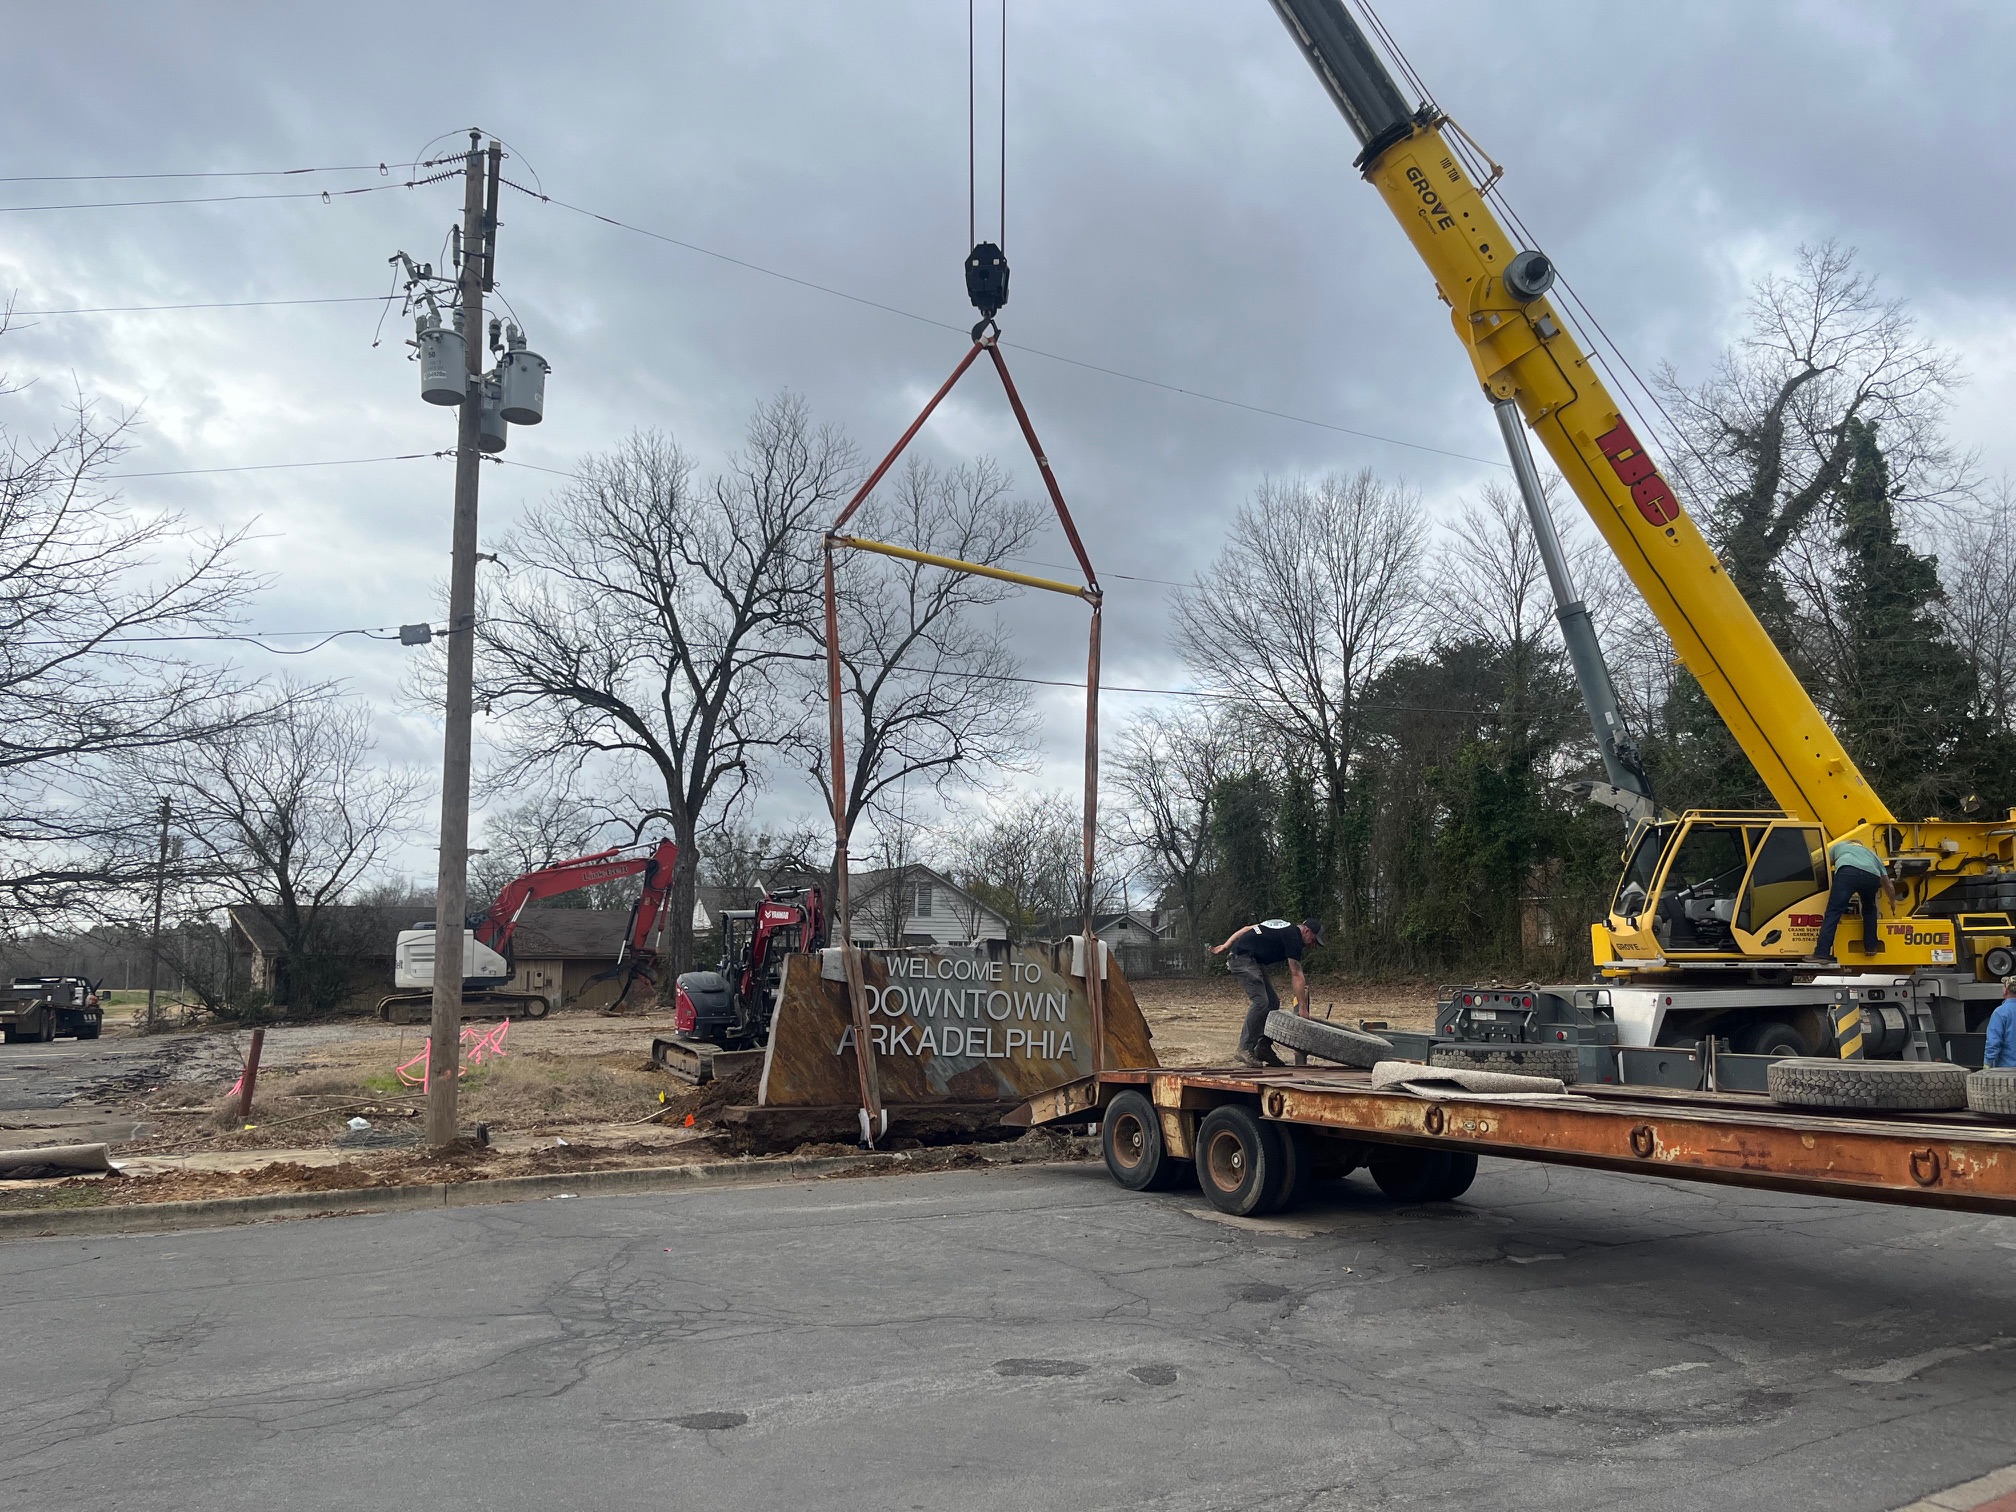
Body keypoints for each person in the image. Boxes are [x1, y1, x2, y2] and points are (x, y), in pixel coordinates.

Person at [1209, 917, 1322, 1068]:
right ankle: (1244, 1048)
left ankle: (1262, 1046)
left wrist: (1225, 945)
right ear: (1307, 931)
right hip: (1242, 959)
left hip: (1252, 960)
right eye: (1313, 941)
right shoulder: (1294, 937)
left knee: (1273, 1002)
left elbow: (1247, 928)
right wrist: (1302, 1008)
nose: (1312, 946)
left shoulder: (1283, 927)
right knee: (1261, 1002)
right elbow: (1296, 974)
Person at [1814, 826, 1897, 962]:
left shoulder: (1840, 846)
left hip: (1847, 872)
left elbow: (1822, 866)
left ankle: (1821, 953)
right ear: (1861, 845)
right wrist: (1892, 902)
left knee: (1834, 912)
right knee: (1870, 909)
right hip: (1871, 876)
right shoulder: (1872, 854)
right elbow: (1887, 883)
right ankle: (1871, 947)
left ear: (1850, 843)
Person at [1986, 978, 2016, 1069]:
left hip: (2007, 1071)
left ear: (2006, 990)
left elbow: (1993, 1042)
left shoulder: (2000, 1012)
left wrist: (1987, 1064)